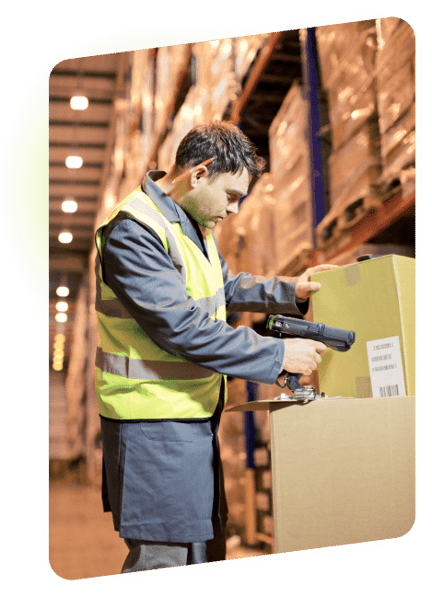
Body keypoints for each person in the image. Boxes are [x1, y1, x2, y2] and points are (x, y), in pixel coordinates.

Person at [94, 121, 335, 573]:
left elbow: (223, 285)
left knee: (200, 553)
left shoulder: (189, 223)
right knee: (164, 562)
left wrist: (291, 292)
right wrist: (278, 355)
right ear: (199, 174)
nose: (235, 210)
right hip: (150, 424)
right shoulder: (133, 231)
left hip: (189, 418)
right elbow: (183, 327)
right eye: (231, 196)